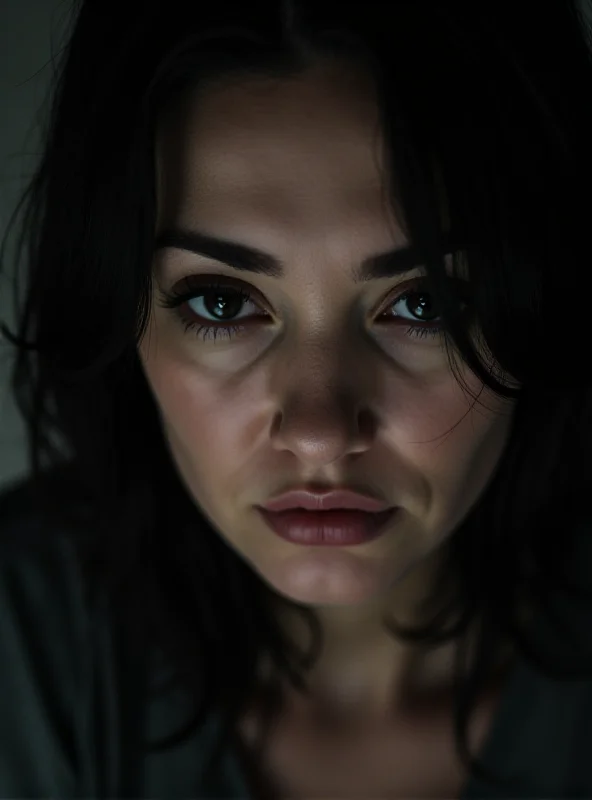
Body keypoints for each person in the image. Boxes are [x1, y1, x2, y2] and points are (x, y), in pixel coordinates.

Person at [1, 0, 592, 797]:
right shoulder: (23, 641)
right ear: (117, 311)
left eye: (427, 305)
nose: (318, 433)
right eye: (220, 303)